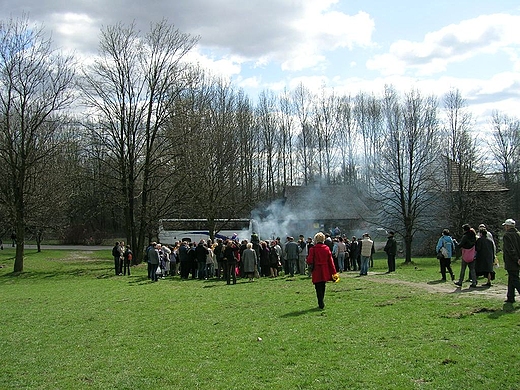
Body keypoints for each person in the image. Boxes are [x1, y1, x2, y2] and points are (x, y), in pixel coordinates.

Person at [306, 232, 337, 309]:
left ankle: (320, 301)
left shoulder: (312, 249)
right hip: (324, 269)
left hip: (316, 270)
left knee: (317, 287)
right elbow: (331, 261)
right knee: (323, 286)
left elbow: (309, 260)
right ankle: (321, 300)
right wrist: (334, 272)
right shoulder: (326, 248)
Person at [502, 218, 520, 303]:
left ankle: (511, 296)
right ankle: (510, 296)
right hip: (517, 260)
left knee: (515, 279)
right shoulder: (518, 234)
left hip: (511, 260)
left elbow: (510, 249)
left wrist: (516, 259)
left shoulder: (507, 235)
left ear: (508, 226)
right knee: (512, 278)